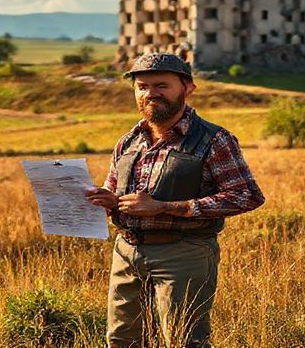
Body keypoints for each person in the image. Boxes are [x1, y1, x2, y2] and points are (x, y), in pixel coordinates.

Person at [86, 53, 265, 348]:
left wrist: (167, 207)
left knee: (184, 340)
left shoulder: (213, 139)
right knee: (121, 340)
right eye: (142, 86)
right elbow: (115, 190)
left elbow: (246, 195)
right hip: (126, 251)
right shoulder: (127, 141)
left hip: (184, 252)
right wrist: (107, 200)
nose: (150, 93)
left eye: (162, 86)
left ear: (188, 88)